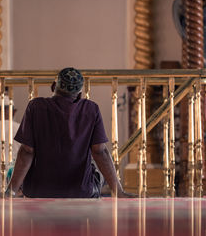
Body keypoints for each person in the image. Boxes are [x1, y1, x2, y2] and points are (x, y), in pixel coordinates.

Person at [8, 67, 131, 198]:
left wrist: (10, 191)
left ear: (53, 86)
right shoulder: (91, 109)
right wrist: (119, 191)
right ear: (79, 94)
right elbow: (99, 151)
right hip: (80, 191)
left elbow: (27, 151)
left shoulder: (35, 107)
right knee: (98, 172)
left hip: (39, 189)